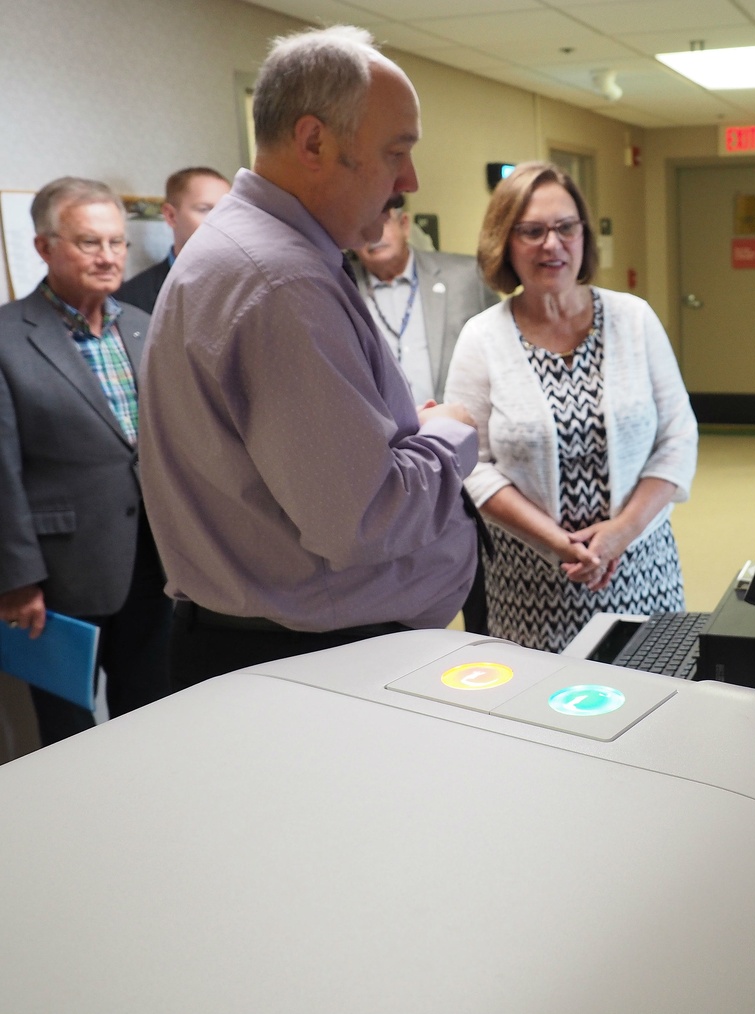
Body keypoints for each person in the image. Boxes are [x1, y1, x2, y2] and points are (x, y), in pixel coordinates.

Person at [139, 25, 483, 688]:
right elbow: (362, 520)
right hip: (311, 664)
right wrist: (450, 433)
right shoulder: (282, 283)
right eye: (396, 152)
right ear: (314, 142)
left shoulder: (239, 253)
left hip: (274, 650)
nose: (409, 180)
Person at [444, 161, 698, 653]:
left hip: (641, 568)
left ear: (583, 235)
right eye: (532, 231)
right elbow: (469, 463)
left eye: (565, 227)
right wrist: (556, 544)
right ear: (505, 242)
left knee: (653, 708)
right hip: (531, 588)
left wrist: (620, 534)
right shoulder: (483, 337)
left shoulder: (633, 319)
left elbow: (678, 438)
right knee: (541, 720)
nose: (552, 244)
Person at [0, 177, 172, 744]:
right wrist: (17, 578)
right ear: (44, 247)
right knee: (70, 735)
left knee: (150, 716)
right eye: (89, 243)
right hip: (58, 578)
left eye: (117, 243)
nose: (108, 257)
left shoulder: (145, 327)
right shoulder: (7, 338)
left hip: (154, 564)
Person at [350, 198, 498, 404]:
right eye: (363, 226)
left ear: (405, 225)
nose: (374, 235)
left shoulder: (467, 277)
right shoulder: (343, 290)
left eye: (383, 221)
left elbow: (501, 355)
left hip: (459, 427)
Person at [116, 167, 230, 313]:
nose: (220, 220)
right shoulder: (132, 297)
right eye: (205, 209)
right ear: (171, 216)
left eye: (226, 210)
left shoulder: (253, 283)